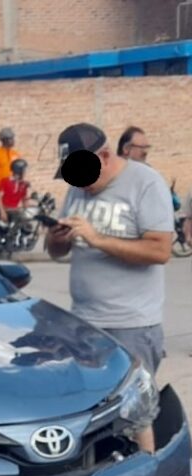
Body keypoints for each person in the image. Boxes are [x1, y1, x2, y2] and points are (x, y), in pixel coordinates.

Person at [46, 122, 172, 453]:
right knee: (90, 412)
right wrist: (56, 239)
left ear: (104, 155)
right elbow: (57, 253)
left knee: (136, 414)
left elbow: (160, 251)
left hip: (130, 324)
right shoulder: (78, 187)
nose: (81, 186)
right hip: (84, 323)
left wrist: (97, 238)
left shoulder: (145, 183)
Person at [0, 127, 21, 208]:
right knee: (2, 212)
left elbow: (20, 172)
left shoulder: (16, 154)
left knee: (13, 211)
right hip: (0, 190)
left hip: (13, 189)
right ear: (4, 140)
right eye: (11, 138)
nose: (13, 140)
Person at [0, 158, 31, 223]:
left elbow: (25, 201)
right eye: (24, 171)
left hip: (14, 209)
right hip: (5, 208)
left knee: (27, 222)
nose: (25, 173)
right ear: (19, 171)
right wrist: (2, 212)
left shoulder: (24, 184)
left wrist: (28, 210)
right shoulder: (5, 181)